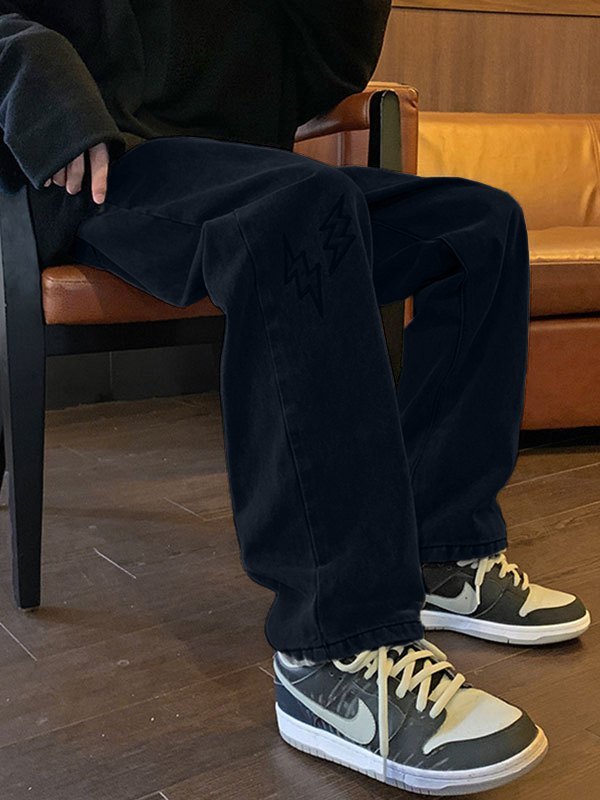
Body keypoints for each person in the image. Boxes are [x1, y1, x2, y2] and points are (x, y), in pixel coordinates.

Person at [0, 1, 591, 795]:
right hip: (100, 165)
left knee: (481, 226)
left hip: (243, 165)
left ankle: (443, 550)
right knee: (299, 210)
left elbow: (327, 72)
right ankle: (333, 653)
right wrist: (40, 82)